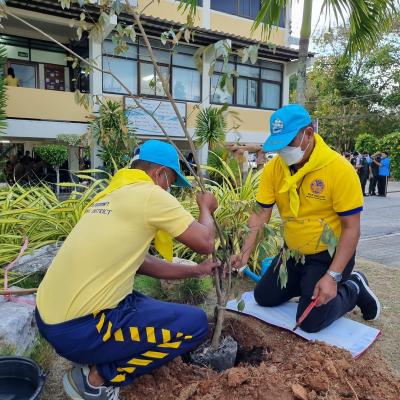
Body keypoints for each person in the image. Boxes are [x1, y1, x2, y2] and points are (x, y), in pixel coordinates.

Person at [35, 140, 220, 400]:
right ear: (160, 174)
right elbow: (206, 242)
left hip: (49, 319)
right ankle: (96, 379)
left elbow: (142, 262)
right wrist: (206, 207)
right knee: (196, 325)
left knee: (146, 306)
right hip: (80, 329)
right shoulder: (149, 194)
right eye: (170, 183)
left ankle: (97, 354)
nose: (170, 190)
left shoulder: (110, 195)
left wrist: (195, 271)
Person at [232, 104, 380, 334]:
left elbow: (352, 229)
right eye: (278, 144)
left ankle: (354, 286)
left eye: (288, 143)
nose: (282, 150)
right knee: (263, 297)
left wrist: (332, 276)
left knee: (310, 322)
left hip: (326, 256)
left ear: (308, 134)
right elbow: (261, 214)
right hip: (292, 253)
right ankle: (306, 284)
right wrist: (244, 254)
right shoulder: (274, 169)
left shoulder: (339, 169)